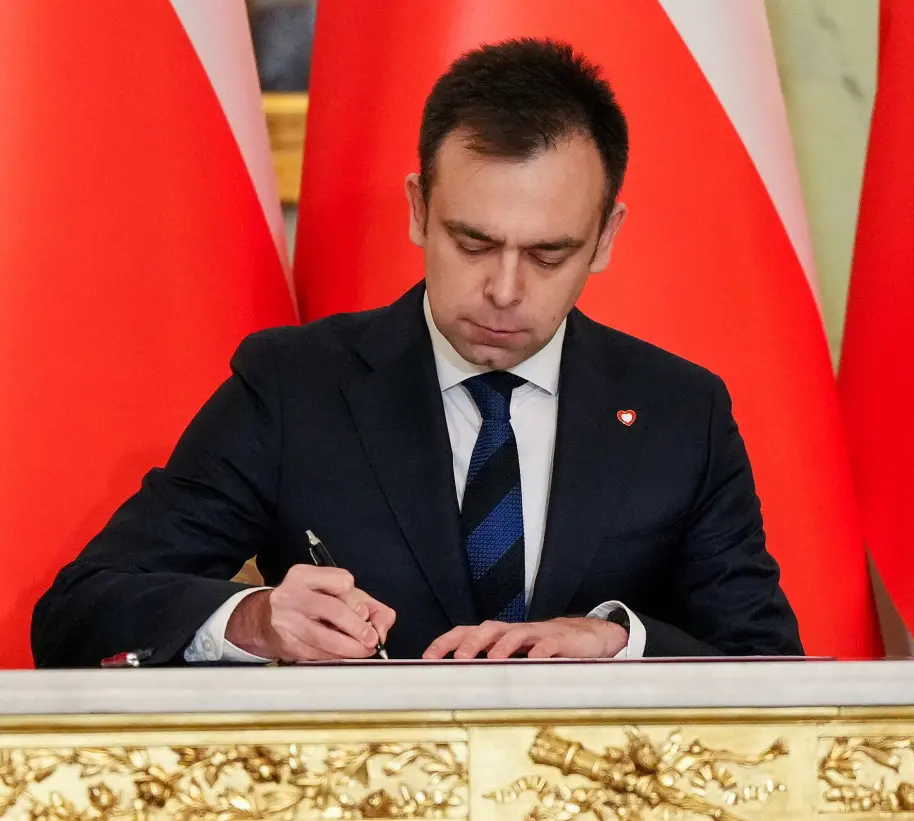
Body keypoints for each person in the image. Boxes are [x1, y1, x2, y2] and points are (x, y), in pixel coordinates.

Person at [31, 38, 803, 667]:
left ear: (606, 237)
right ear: (417, 209)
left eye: (548, 254)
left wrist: (619, 640)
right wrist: (253, 620)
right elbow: (77, 612)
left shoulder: (681, 411)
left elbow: (767, 662)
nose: (504, 289)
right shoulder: (293, 387)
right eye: (473, 242)